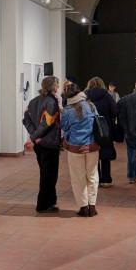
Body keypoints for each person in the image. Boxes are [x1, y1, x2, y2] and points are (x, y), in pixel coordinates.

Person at [61, 83, 100, 217]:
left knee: (78, 178)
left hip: (75, 147)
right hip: (92, 146)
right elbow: (97, 123)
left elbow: (64, 126)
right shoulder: (91, 105)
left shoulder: (67, 109)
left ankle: (83, 207)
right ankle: (92, 207)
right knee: (93, 176)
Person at [23, 75, 61, 213]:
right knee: (49, 175)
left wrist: (34, 137)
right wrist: (35, 138)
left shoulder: (34, 101)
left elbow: (26, 118)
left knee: (45, 173)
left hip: (41, 144)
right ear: (54, 87)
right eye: (57, 84)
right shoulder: (52, 102)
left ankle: (49, 202)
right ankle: (43, 204)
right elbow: (46, 124)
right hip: (49, 143)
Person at [84, 77, 119, 188]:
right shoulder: (107, 96)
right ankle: (106, 180)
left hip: (90, 129)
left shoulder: (85, 96)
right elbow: (115, 111)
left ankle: (96, 179)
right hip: (105, 128)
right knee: (106, 154)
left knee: (93, 156)